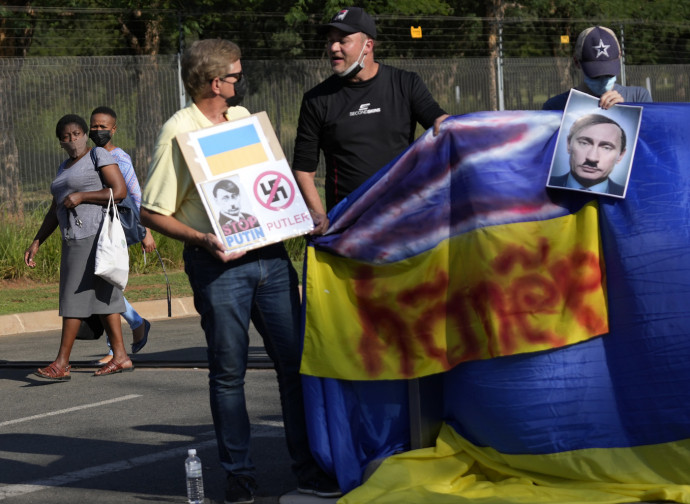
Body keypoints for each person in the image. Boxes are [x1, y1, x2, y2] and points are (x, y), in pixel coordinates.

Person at [139, 39, 340, 504]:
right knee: (229, 374)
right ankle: (240, 475)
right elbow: (152, 212)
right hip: (218, 267)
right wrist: (204, 240)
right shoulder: (178, 131)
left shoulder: (243, 118)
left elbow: (268, 185)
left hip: (270, 258)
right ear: (214, 83)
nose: (239, 81)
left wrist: (293, 211)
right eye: (234, 75)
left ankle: (308, 468)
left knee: (295, 367)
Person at [292, 6, 449, 233]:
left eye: (343, 40)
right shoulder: (316, 100)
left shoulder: (406, 83)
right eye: (330, 41)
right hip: (348, 226)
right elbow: (304, 169)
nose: (333, 48)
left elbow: (438, 122)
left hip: (402, 217)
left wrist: (462, 126)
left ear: (368, 46)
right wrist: (320, 216)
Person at [24, 114, 133, 379]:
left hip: (93, 236)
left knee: (73, 297)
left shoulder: (97, 156)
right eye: (66, 136)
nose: (72, 140)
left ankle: (61, 363)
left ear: (85, 134)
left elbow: (119, 192)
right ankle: (120, 357)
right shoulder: (64, 167)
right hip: (74, 238)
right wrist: (37, 240)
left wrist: (84, 196)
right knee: (104, 297)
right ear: (60, 142)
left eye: (76, 134)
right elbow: (55, 209)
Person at [89, 106, 154, 365]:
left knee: (107, 281)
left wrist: (146, 231)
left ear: (113, 129)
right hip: (94, 228)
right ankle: (136, 324)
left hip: (114, 229)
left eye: (103, 127)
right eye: (94, 126)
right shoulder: (89, 155)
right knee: (103, 283)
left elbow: (135, 194)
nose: (98, 131)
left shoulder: (120, 158)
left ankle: (115, 347)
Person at [543, 25, 652, 111]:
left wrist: (626, 111)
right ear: (577, 62)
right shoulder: (556, 107)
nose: (603, 81)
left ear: (620, 56)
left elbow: (651, 136)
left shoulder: (638, 98)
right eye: (596, 75)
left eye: (609, 74)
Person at [548, 113, 628, 196]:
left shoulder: (632, 199)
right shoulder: (539, 188)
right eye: (584, 143)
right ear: (569, 144)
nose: (592, 158)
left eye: (606, 148)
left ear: (621, 155)